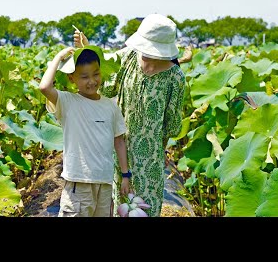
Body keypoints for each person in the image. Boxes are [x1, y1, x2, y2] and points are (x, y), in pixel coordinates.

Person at [74, 13, 186, 217]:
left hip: (150, 159)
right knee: (122, 208)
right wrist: (87, 50)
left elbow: (172, 127)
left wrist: (161, 149)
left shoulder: (175, 76)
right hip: (120, 150)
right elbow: (106, 89)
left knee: (146, 211)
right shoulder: (127, 58)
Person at [39, 45, 131, 217]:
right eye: (84, 77)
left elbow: (119, 141)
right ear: (72, 78)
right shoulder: (67, 102)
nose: (92, 81)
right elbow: (44, 87)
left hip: (104, 182)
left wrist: (125, 175)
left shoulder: (111, 106)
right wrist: (59, 57)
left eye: (96, 74)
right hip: (78, 182)